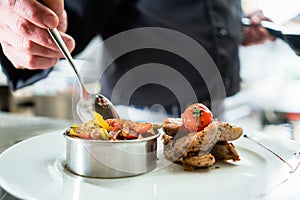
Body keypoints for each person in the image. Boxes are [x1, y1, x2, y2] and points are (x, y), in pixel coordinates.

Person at [0, 0, 273, 117]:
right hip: (145, 116)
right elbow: (64, 20)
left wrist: (238, 27)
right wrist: (23, 27)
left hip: (221, 107)